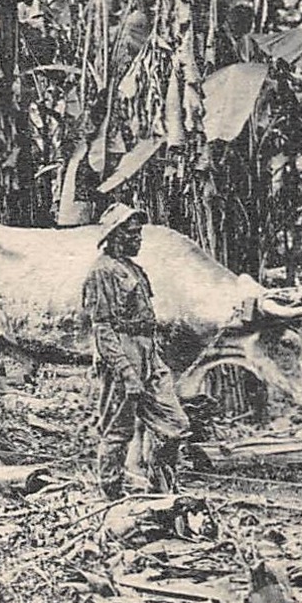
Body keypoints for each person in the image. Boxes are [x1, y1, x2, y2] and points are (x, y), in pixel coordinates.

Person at [82, 204, 189, 500]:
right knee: (118, 432)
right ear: (115, 236)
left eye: (139, 233)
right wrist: (127, 373)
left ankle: (161, 489)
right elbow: (102, 327)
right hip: (122, 353)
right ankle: (111, 497)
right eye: (132, 234)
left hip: (147, 351)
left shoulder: (134, 269)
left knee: (175, 425)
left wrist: (150, 360)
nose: (138, 239)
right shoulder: (101, 271)